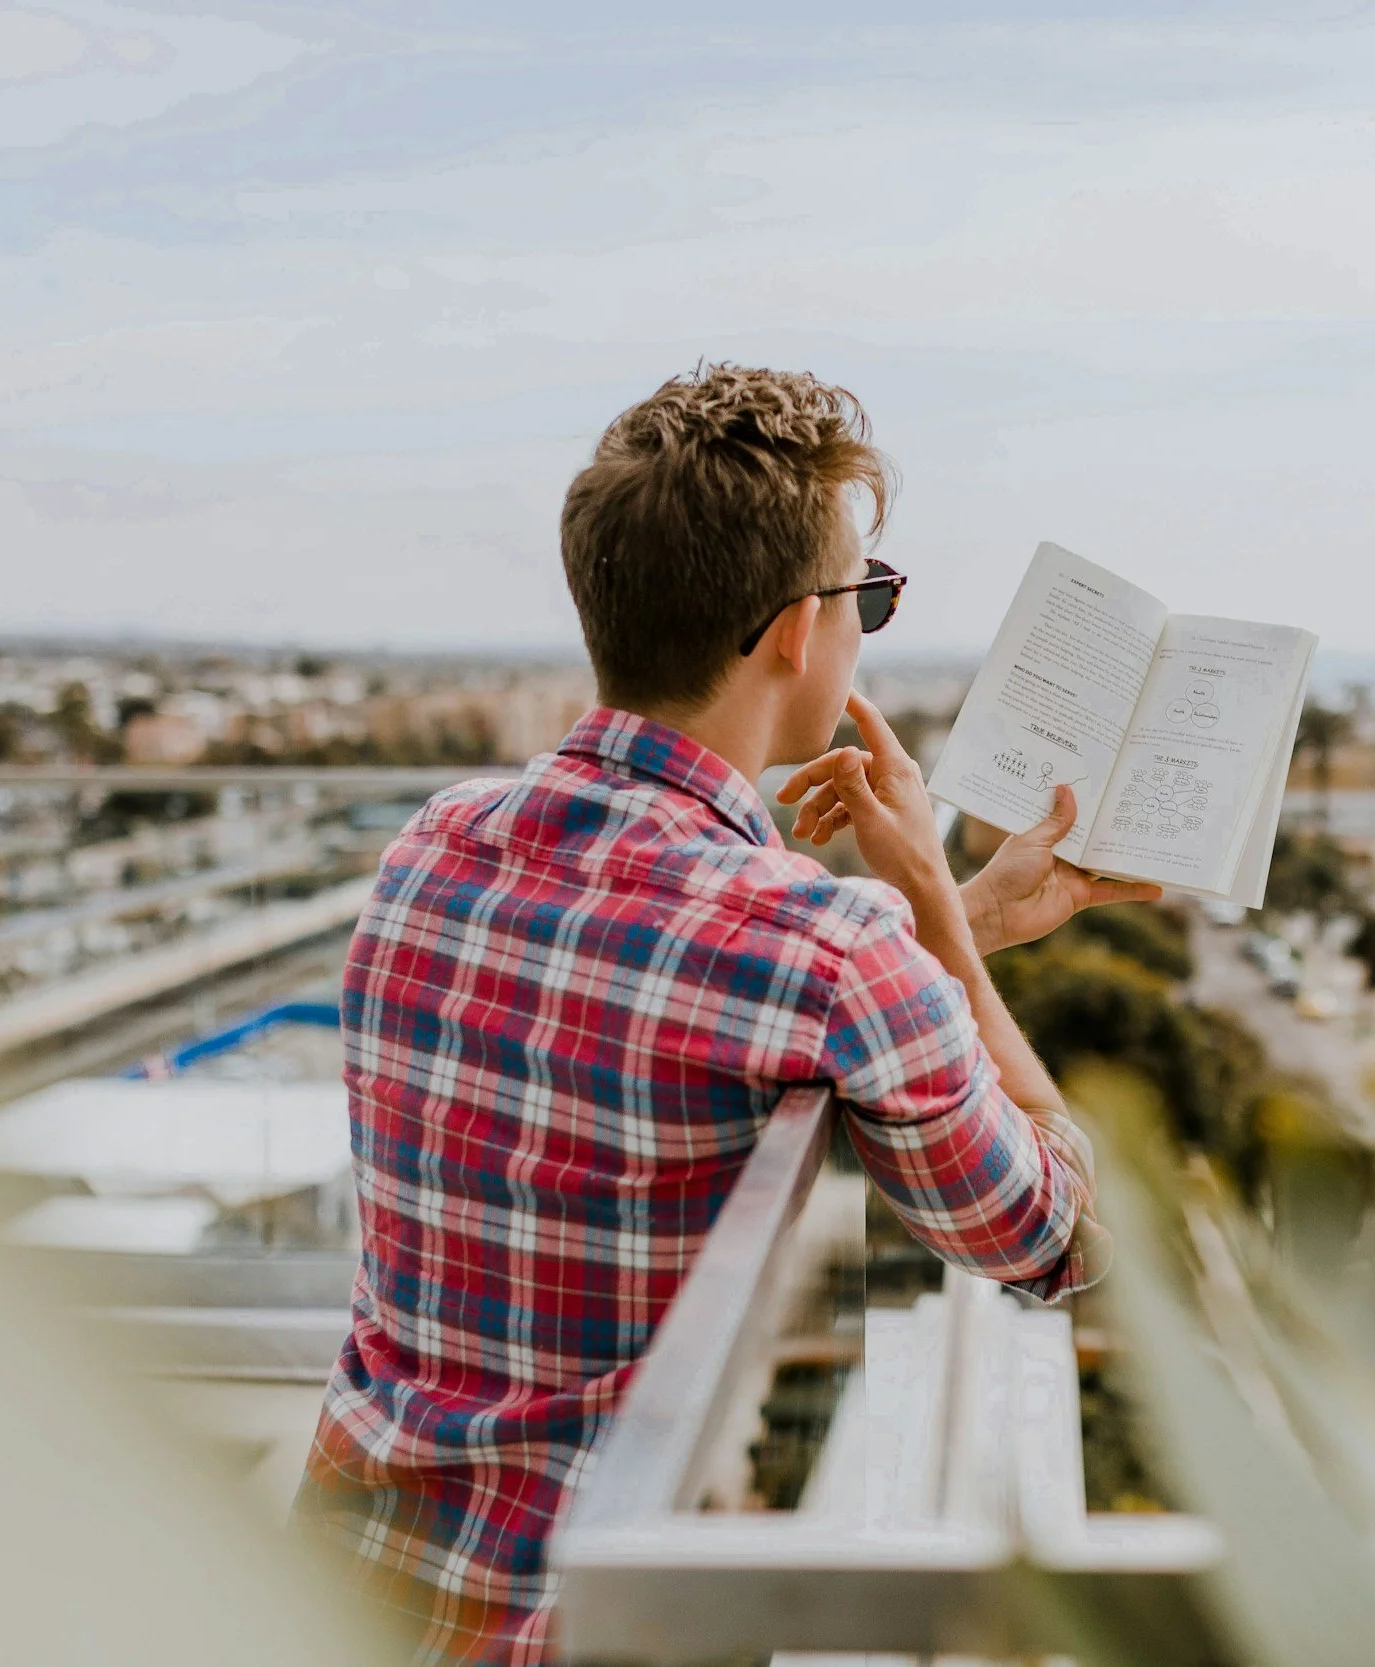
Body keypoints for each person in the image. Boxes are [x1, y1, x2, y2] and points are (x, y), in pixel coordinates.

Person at [294, 364, 1158, 1665]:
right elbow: (1059, 1233)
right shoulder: (822, 948)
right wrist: (925, 894)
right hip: (585, 1629)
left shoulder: (436, 844)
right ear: (797, 632)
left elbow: (649, 991)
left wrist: (952, 922)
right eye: (869, 595)